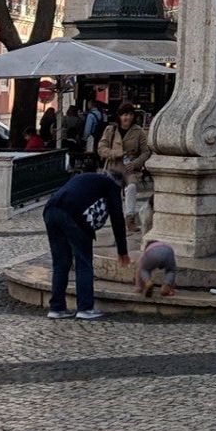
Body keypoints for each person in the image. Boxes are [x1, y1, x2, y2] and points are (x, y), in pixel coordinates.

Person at [42, 156, 131, 320]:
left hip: (50, 211)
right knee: (83, 262)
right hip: (73, 215)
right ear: (120, 185)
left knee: (61, 262)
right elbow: (117, 218)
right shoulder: (111, 186)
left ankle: (57, 308)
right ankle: (85, 308)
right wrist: (122, 251)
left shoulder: (86, 177)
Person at [97, 102, 151, 230]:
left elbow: (146, 152)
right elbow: (101, 148)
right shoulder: (111, 130)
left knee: (131, 188)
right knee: (111, 195)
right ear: (120, 116)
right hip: (113, 166)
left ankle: (130, 219)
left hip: (130, 168)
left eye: (131, 114)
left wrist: (136, 163)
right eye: (125, 115)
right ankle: (108, 218)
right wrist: (115, 153)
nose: (128, 118)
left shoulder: (139, 132)